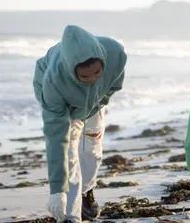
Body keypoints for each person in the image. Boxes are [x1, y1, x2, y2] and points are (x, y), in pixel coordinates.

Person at [33, 25, 127, 222]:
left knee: (91, 150)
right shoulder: (53, 83)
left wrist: (98, 103)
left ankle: (87, 191)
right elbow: (56, 140)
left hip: (95, 101)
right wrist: (56, 190)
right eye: (84, 76)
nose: (92, 79)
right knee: (70, 154)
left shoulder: (116, 53)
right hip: (64, 103)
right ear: (72, 70)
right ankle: (71, 216)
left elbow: (114, 85)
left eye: (97, 73)